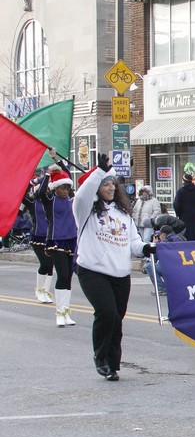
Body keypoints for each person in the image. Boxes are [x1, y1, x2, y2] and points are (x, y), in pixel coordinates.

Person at [72, 155, 153, 381]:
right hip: (93, 271)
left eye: (111, 184)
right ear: (97, 187)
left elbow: (133, 242)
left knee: (117, 318)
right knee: (106, 313)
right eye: (104, 184)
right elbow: (82, 196)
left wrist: (147, 248)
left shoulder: (123, 214)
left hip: (120, 273)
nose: (109, 187)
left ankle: (113, 363)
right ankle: (101, 359)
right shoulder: (85, 211)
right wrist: (98, 171)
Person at [35, 162, 78, 326]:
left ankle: (66, 312)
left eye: (67, 188)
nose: (65, 190)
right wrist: (47, 173)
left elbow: (68, 176)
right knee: (63, 275)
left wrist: (59, 162)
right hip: (56, 240)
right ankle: (59, 313)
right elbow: (40, 192)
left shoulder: (71, 199)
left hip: (71, 241)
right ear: (55, 188)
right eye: (62, 188)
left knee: (68, 278)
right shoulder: (49, 200)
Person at [26, 170, 54, 304]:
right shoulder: (31, 203)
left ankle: (46, 291)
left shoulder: (51, 201)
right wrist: (34, 181)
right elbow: (21, 192)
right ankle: (39, 289)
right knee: (45, 263)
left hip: (50, 237)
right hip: (37, 237)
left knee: (51, 265)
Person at [173, 172, 195, 241]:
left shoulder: (181, 191)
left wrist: (178, 214)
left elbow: (176, 205)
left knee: (186, 237)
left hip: (185, 217)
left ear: (183, 181)